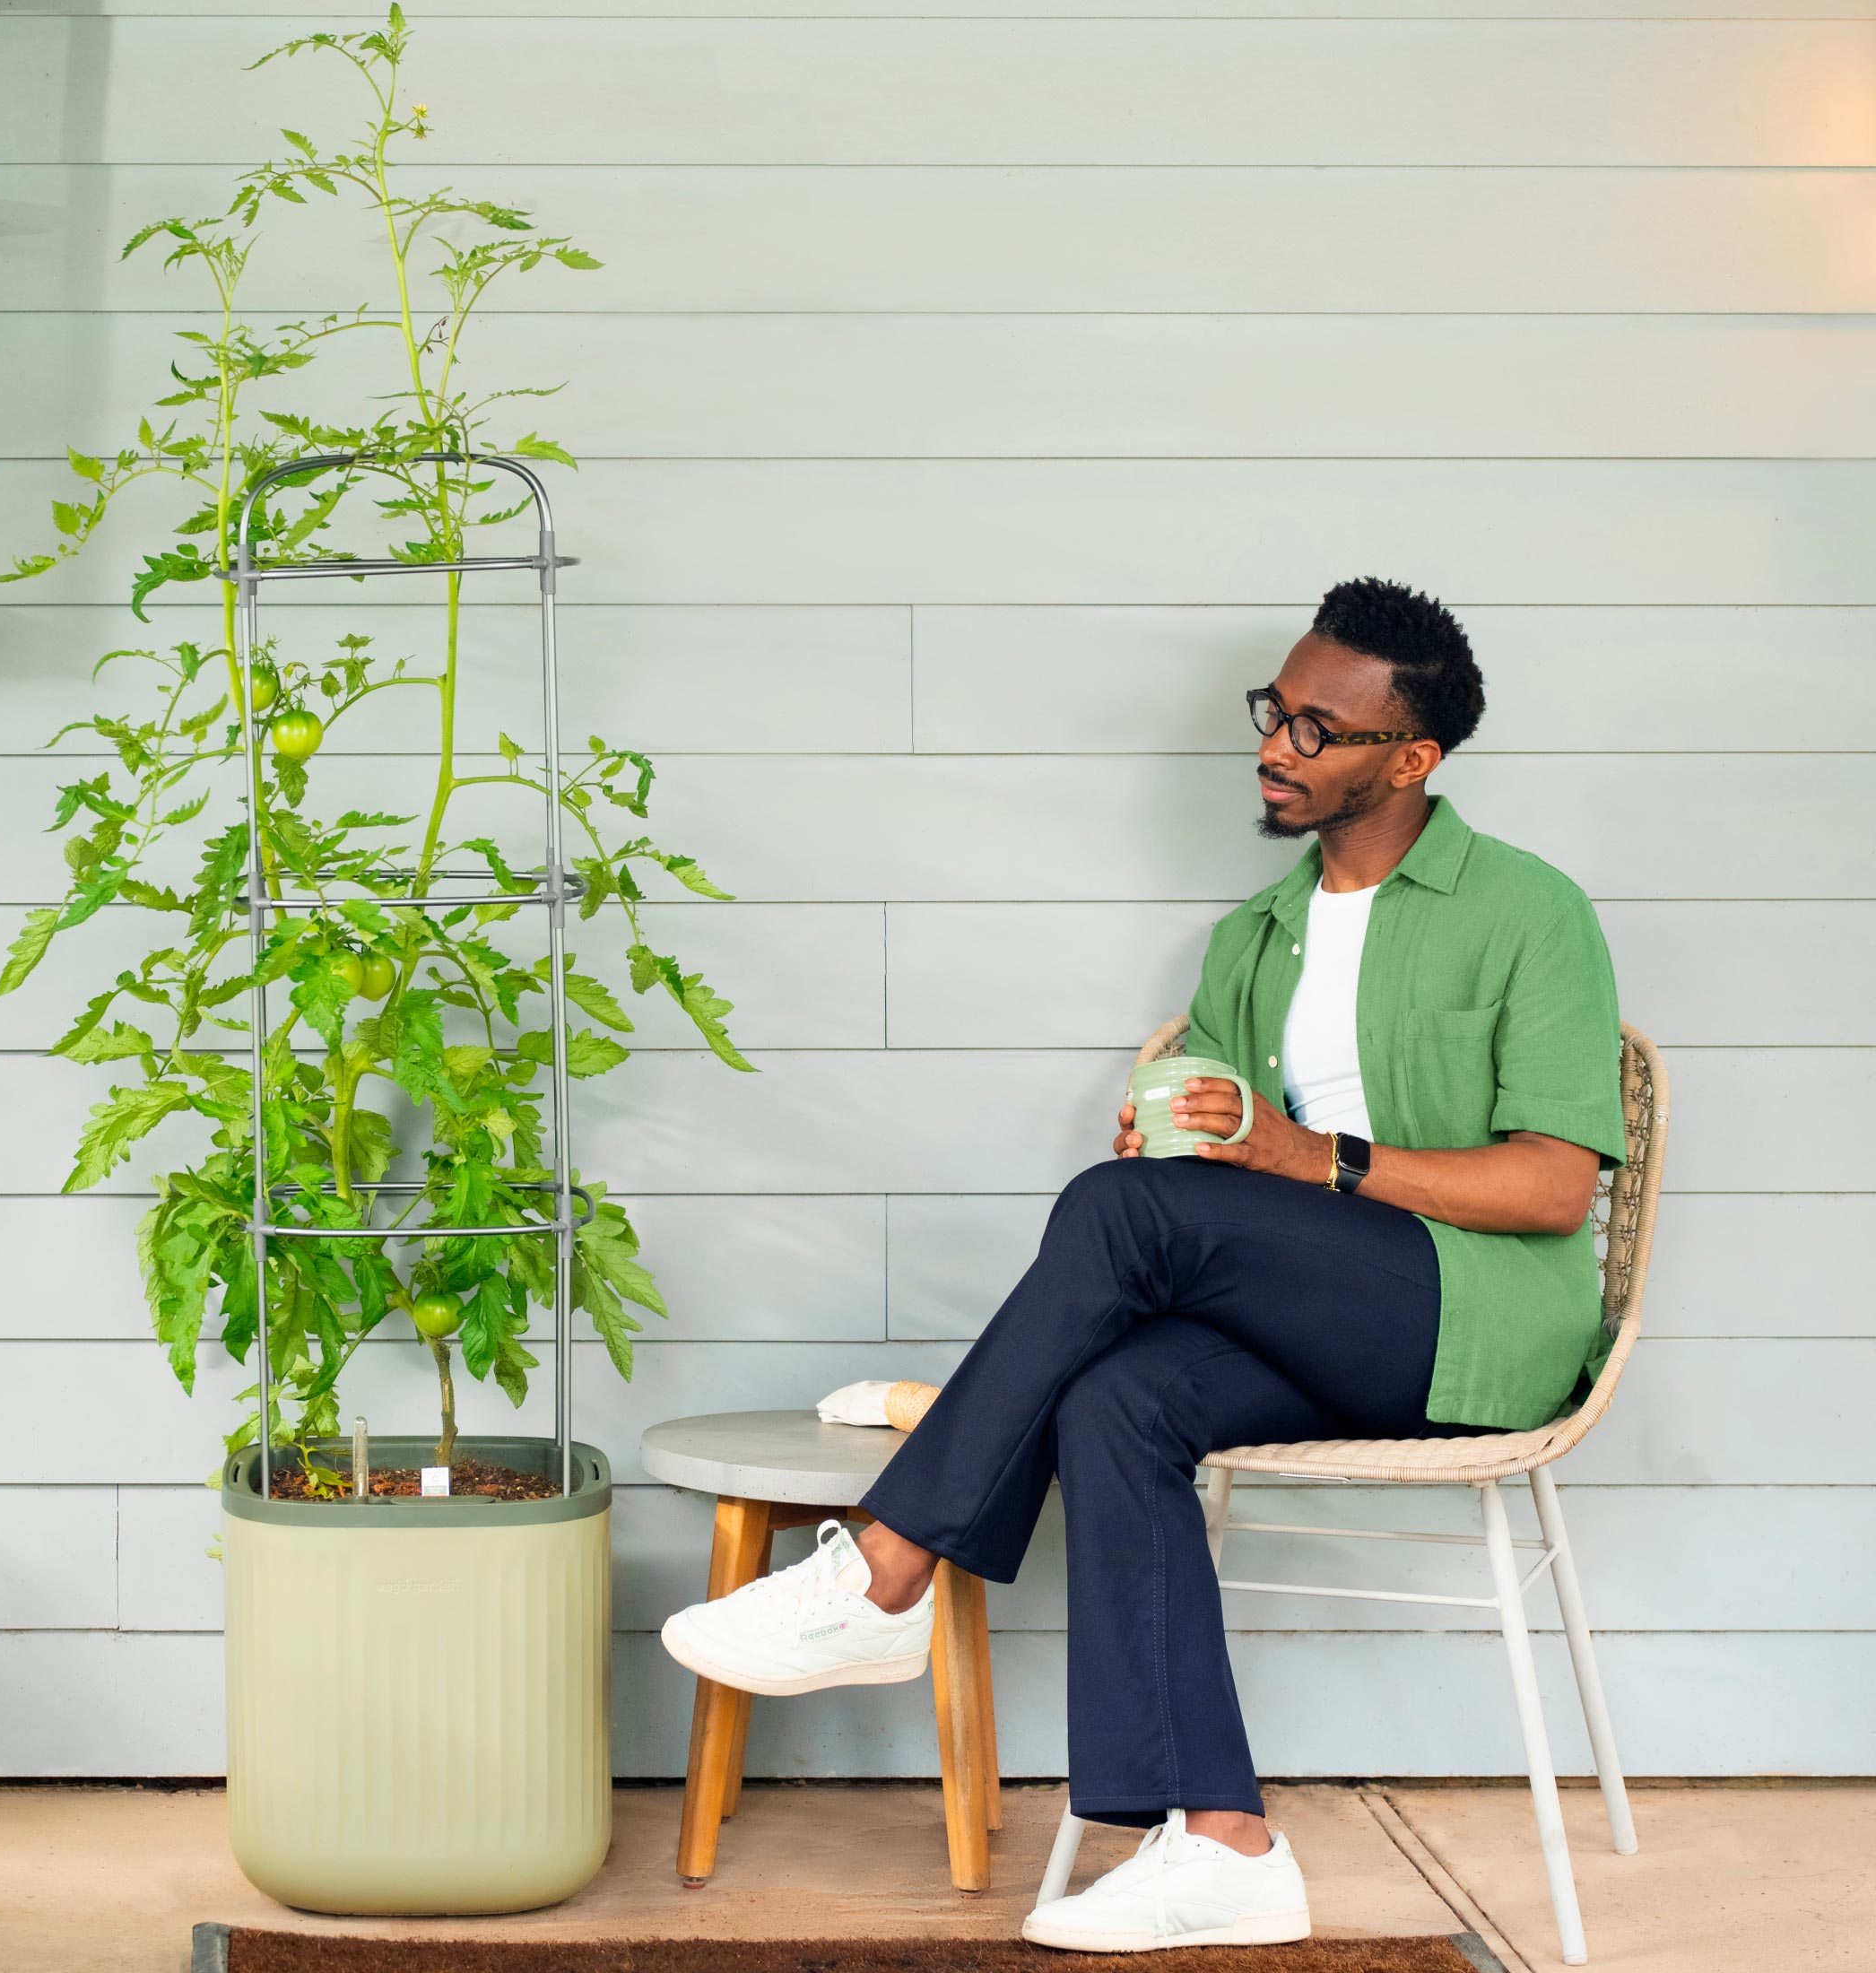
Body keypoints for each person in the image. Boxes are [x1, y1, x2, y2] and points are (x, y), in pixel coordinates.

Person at [660, 577, 1628, 1953]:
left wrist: (1312, 1159)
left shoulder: (1529, 910)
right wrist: (1185, 1143)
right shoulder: (1252, 939)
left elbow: (1550, 1188)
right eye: (1273, 713)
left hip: (1474, 1321)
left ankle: (888, 1568)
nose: (1274, 748)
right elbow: (1211, 1174)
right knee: (1116, 1397)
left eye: (1316, 728)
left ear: (1410, 758)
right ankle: (1225, 1843)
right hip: (1315, 1320)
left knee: (1123, 1217)